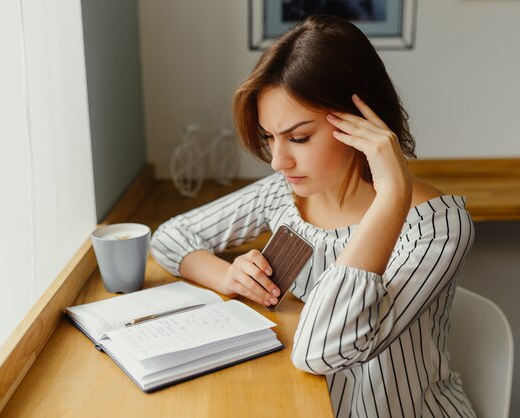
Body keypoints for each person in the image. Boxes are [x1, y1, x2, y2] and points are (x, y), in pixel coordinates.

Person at [151, 14, 476, 418]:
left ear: (362, 123)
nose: (277, 160)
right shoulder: (285, 196)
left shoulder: (435, 227)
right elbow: (170, 238)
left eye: (299, 138)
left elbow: (321, 352)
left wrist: (392, 195)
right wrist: (226, 275)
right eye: (270, 137)